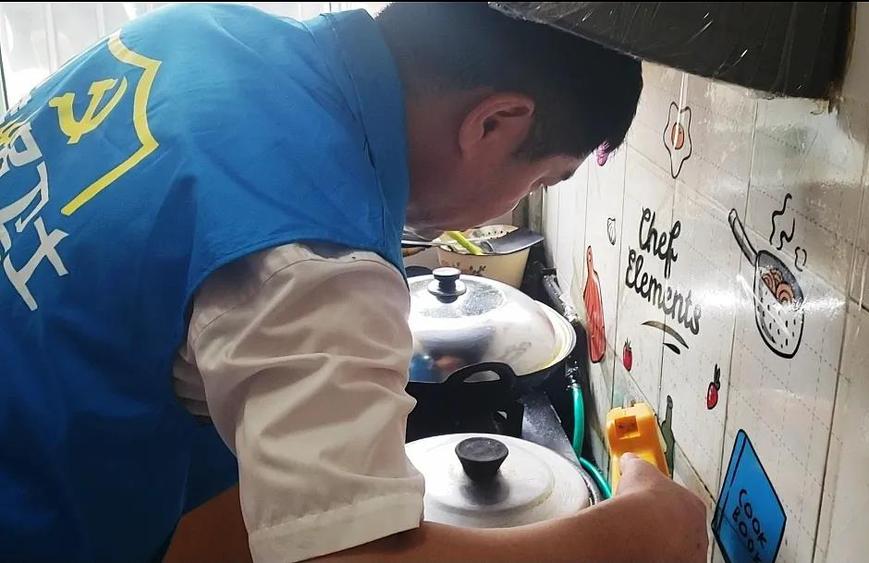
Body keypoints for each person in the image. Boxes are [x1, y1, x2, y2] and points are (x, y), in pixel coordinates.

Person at [0, 2, 707, 561]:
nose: (513, 204)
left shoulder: (198, 31)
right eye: (542, 178)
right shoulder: (311, 254)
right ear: (493, 123)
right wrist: (636, 534)